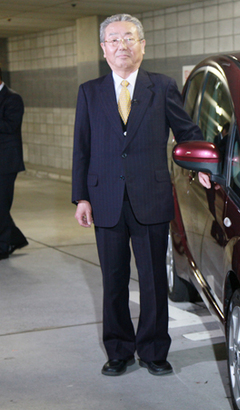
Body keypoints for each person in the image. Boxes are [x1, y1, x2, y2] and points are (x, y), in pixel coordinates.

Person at [71, 14, 203, 376]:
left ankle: (154, 351)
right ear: (103, 49)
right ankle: (118, 351)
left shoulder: (161, 87)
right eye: (113, 40)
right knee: (113, 281)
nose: (122, 46)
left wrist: (203, 167)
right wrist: (81, 197)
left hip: (150, 197)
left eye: (129, 39)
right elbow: (81, 148)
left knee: (154, 281)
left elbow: (187, 131)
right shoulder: (90, 91)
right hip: (105, 200)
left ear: (142, 45)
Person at [0, 66, 29, 260]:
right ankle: (15, 238)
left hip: (6, 162)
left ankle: (3, 246)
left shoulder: (12, 98)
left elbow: (10, 126)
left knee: (1, 205)